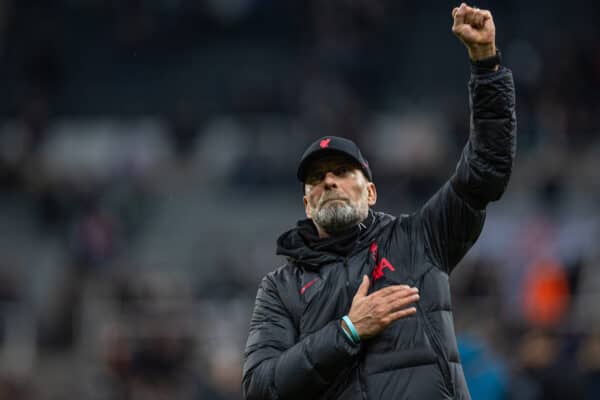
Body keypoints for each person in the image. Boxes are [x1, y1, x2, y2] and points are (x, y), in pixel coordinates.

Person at [242, 3, 516, 400]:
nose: (329, 182)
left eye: (342, 172)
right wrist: (347, 331)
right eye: (317, 179)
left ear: (371, 192)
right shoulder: (280, 288)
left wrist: (486, 65)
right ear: (306, 203)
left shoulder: (419, 238)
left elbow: (486, 170)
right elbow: (260, 388)